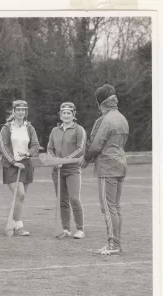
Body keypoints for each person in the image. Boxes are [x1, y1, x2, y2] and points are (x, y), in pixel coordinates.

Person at [82, 84, 129, 255]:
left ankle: (113, 244)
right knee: (115, 207)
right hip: (120, 163)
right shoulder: (122, 118)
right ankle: (115, 242)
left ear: (101, 103)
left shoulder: (106, 120)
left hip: (107, 166)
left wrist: (86, 159)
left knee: (108, 208)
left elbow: (96, 144)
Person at [0, 100, 41, 236]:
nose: (21, 112)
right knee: (20, 194)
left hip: (26, 165)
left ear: (26, 112)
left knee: (20, 198)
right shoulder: (6, 128)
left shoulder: (29, 128)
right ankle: (19, 226)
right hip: (11, 166)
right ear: (14, 111)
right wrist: (13, 161)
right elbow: (3, 147)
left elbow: (35, 145)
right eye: (18, 110)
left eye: (23, 110)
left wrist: (28, 153)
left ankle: (13, 221)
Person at [47, 102, 87, 240]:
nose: (66, 115)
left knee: (74, 199)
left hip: (72, 169)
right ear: (60, 114)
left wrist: (62, 161)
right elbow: (49, 149)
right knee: (62, 200)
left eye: (68, 113)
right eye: (63, 113)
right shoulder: (55, 131)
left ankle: (80, 229)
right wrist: (54, 160)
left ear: (74, 114)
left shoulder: (79, 130)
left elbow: (80, 149)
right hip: (57, 171)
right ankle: (65, 229)